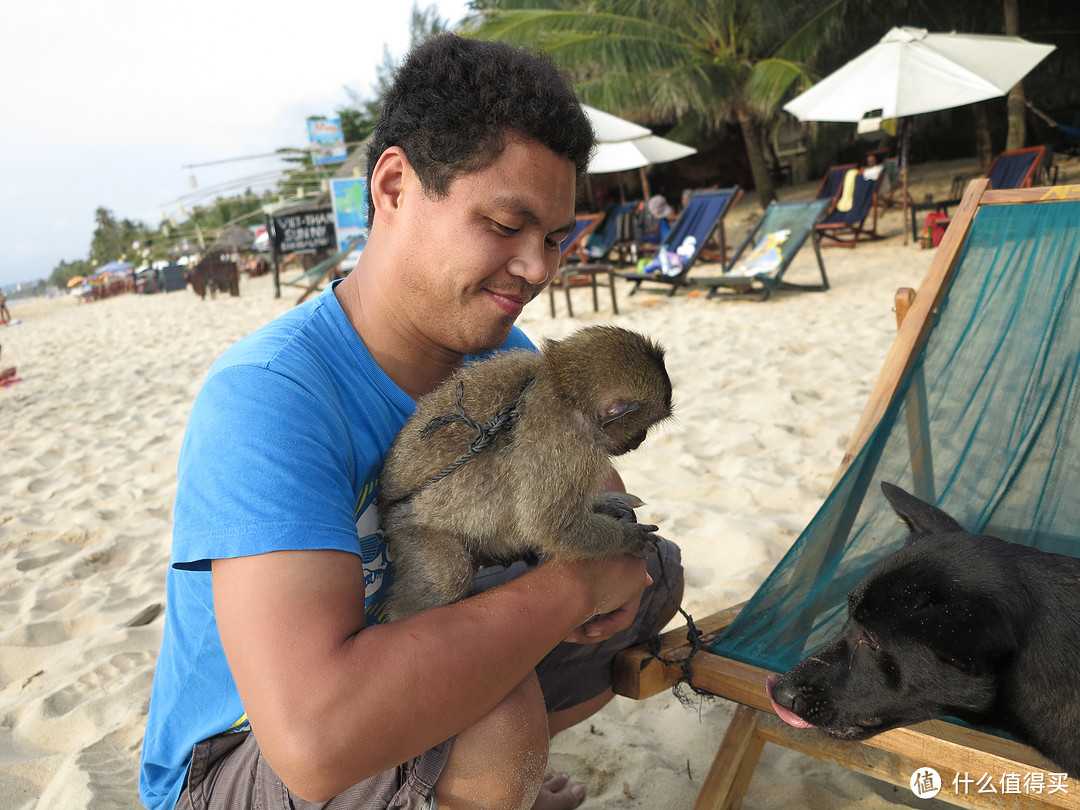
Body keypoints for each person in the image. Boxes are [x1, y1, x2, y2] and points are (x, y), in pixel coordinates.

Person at [140, 34, 683, 810]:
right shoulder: (270, 397)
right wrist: (571, 588)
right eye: (504, 225)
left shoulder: (512, 357)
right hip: (241, 756)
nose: (539, 267)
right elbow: (312, 744)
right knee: (497, 719)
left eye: (556, 238)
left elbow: (591, 491)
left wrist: (605, 555)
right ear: (393, 186)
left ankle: (483, 785)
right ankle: (486, 778)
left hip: (413, 627)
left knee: (653, 567)